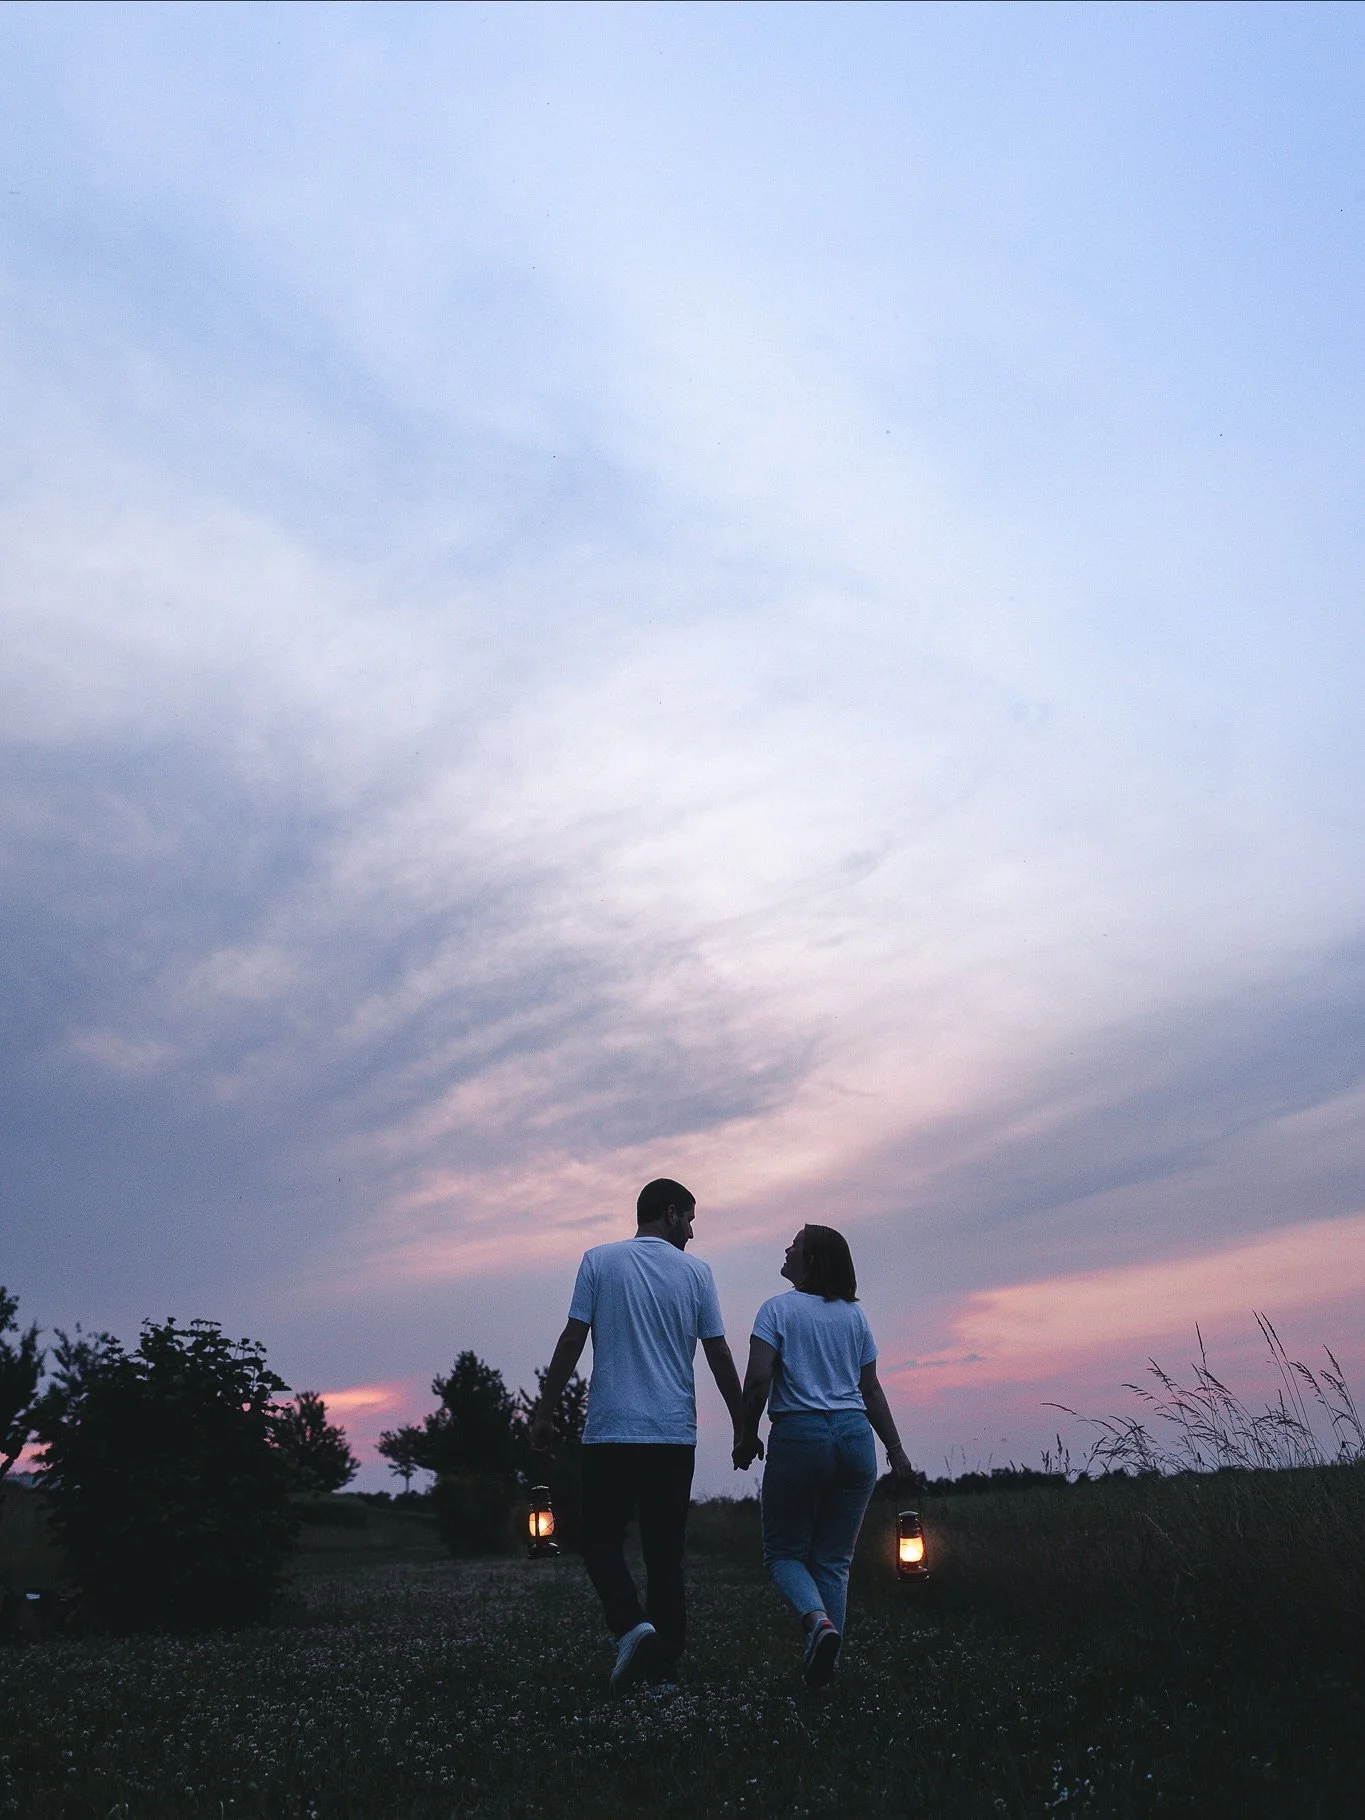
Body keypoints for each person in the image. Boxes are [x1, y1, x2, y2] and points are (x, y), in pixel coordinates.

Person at [531, 1178, 748, 1693]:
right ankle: (662, 1671)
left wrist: (544, 1410)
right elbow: (718, 1353)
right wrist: (743, 1424)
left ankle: (631, 1626)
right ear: (670, 1213)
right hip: (673, 1436)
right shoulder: (697, 1273)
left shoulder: (599, 1261)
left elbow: (571, 1339)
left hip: (611, 1433)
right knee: (664, 1554)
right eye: (690, 1219)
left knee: (599, 1540)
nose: (693, 1233)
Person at [733, 1223, 914, 1689]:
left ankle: (818, 1625)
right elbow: (869, 1389)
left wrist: (745, 1435)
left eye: (794, 1244)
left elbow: (756, 1382)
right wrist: (896, 1452)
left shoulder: (776, 1310)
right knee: (833, 1561)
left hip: (801, 1435)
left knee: (783, 1553)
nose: (786, 1248)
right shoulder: (854, 1317)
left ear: (810, 1261)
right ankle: (824, 1675)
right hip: (855, 1438)